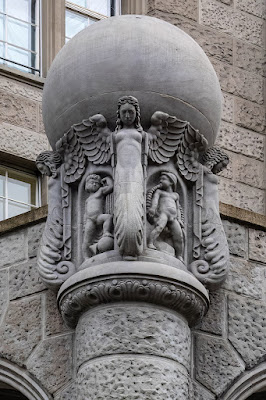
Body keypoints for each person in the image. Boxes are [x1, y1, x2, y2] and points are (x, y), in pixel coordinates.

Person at [113, 96, 145, 258]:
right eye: (123, 112)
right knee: (121, 204)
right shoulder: (114, 135)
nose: (127, 115)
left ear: (136, 114)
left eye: (130, 112)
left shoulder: (142, 134)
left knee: (135, 202)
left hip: (136, 171)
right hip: (120, 172)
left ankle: (137, 237)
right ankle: (120, 239)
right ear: (118, 114)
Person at [147, 172, 184, 260]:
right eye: (160, 179)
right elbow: (155, 200)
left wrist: (179, 219)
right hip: (164, 214)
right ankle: (150, 243)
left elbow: (178, 208)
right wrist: (152, 208)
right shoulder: (159, 192)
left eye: (163, 179)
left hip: (173, 217)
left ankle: (179, 255)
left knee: (179, 236)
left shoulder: (175, 195)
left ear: (171, 182)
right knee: (159, 228)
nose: (161, 181)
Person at [82, 174, 113, 258]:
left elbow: (110, 187)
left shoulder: (100, 192)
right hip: (90, 220)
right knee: (86, 240)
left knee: (108, 217)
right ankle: (86, 257)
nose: (94, 184)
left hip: (98, 216)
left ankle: (106, 232)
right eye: (92, 182)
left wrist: (107, 178)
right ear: (87, 185)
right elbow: (85, 212)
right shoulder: (87, 199)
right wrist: (84, 223)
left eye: (97, 183)